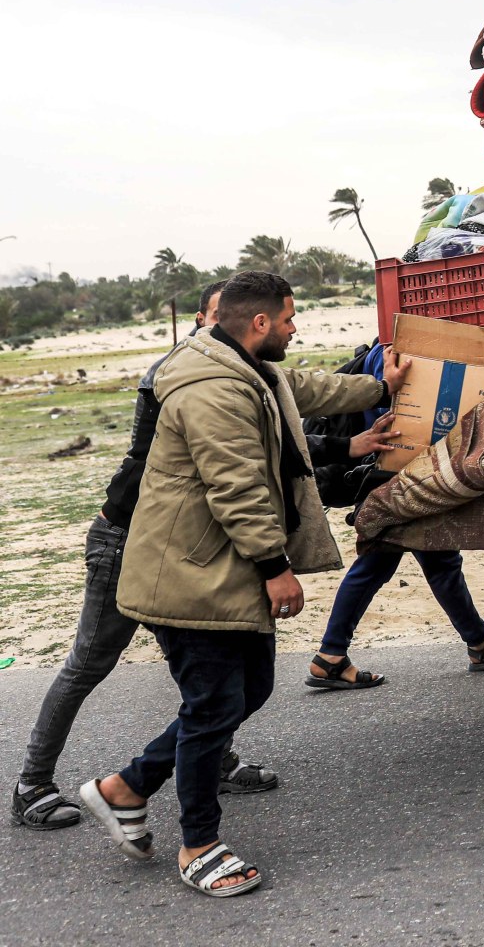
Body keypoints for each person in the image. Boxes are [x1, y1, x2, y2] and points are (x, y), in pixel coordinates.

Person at [76, 272, 405, 898]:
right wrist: (275, 567)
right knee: (211, 708)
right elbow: (236, 486)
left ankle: (125, 787)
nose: (294, 327)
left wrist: (378, 384)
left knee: (248, 691)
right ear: (259, 323)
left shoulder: (253, 368)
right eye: (288, 319)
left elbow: (306, 386)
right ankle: (199, 844)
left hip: (221, 571)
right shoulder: (209, 387)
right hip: (188, 572)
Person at [10, 282, 301, 831]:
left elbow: (292, 403)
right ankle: (32, 783)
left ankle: (209, 761)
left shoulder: (243, 372)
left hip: (179, 542)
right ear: (204, 321)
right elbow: (230, 475)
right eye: (213, 319)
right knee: (90, 664)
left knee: (215, 678)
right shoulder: (190, 379)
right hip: (129, 540)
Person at [304, 340, 484, 688]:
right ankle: (332, 655)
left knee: (423, 560)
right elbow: (396, 423)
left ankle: (478, 642)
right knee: (391, 563)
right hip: (393, 475)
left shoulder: (397, 350)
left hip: (396, 473)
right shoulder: (390, 358)